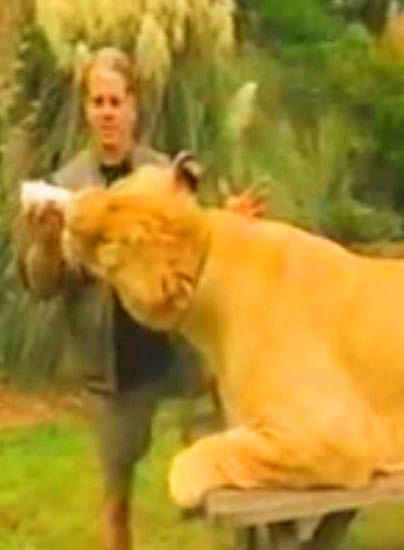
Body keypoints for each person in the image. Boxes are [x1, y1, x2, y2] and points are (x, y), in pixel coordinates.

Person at [15, 47, 204, 550]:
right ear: (85, 109)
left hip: (175, 353)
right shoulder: (65, 186)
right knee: (116, 501)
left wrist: (228, 218)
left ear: (134, 107)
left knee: (210, 484)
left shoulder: (162, 177)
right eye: (97, 101)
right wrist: (45, 244)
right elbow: (43, 285)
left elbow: (197, 244)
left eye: (115, 101)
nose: (106, 112)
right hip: (113, 369)